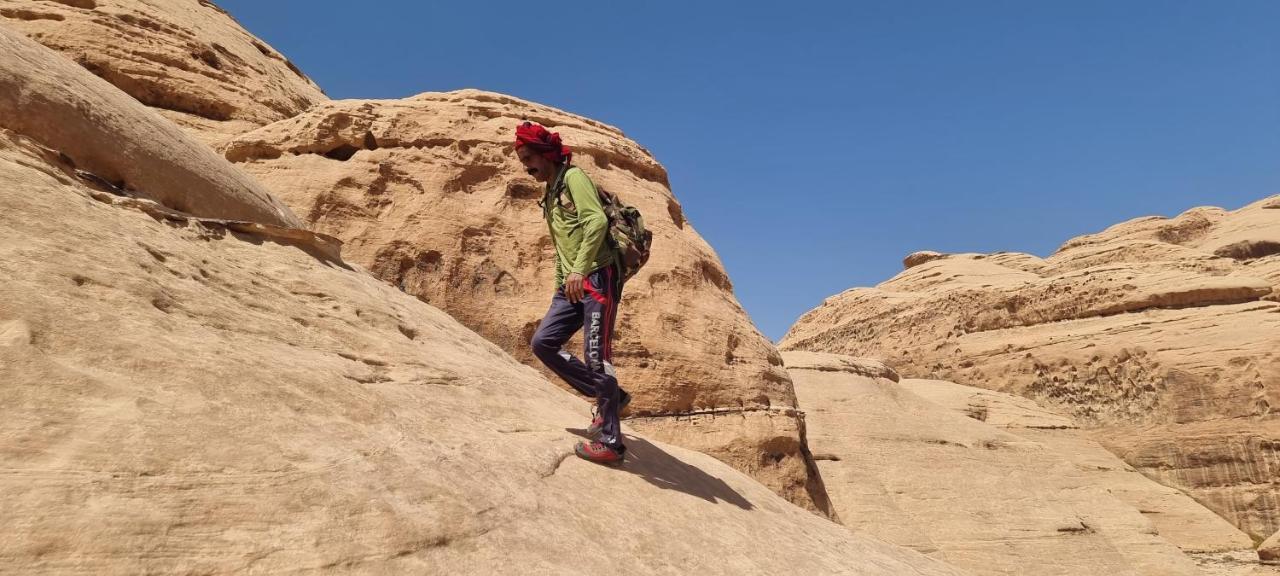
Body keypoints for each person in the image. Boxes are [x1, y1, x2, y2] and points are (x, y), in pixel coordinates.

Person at [516, 121, 631, 464]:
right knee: (543, 343)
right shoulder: (550, 192)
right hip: (571, 284)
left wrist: (580, 269)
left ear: (546, 154)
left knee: (597, 356)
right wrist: (561, 282)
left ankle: (611, 442)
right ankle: (611, 396)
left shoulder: (573, 178)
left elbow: (595, 221)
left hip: (597, 277)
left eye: (528, 158)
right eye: (522, 160)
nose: (526, 167)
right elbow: (561, 245)